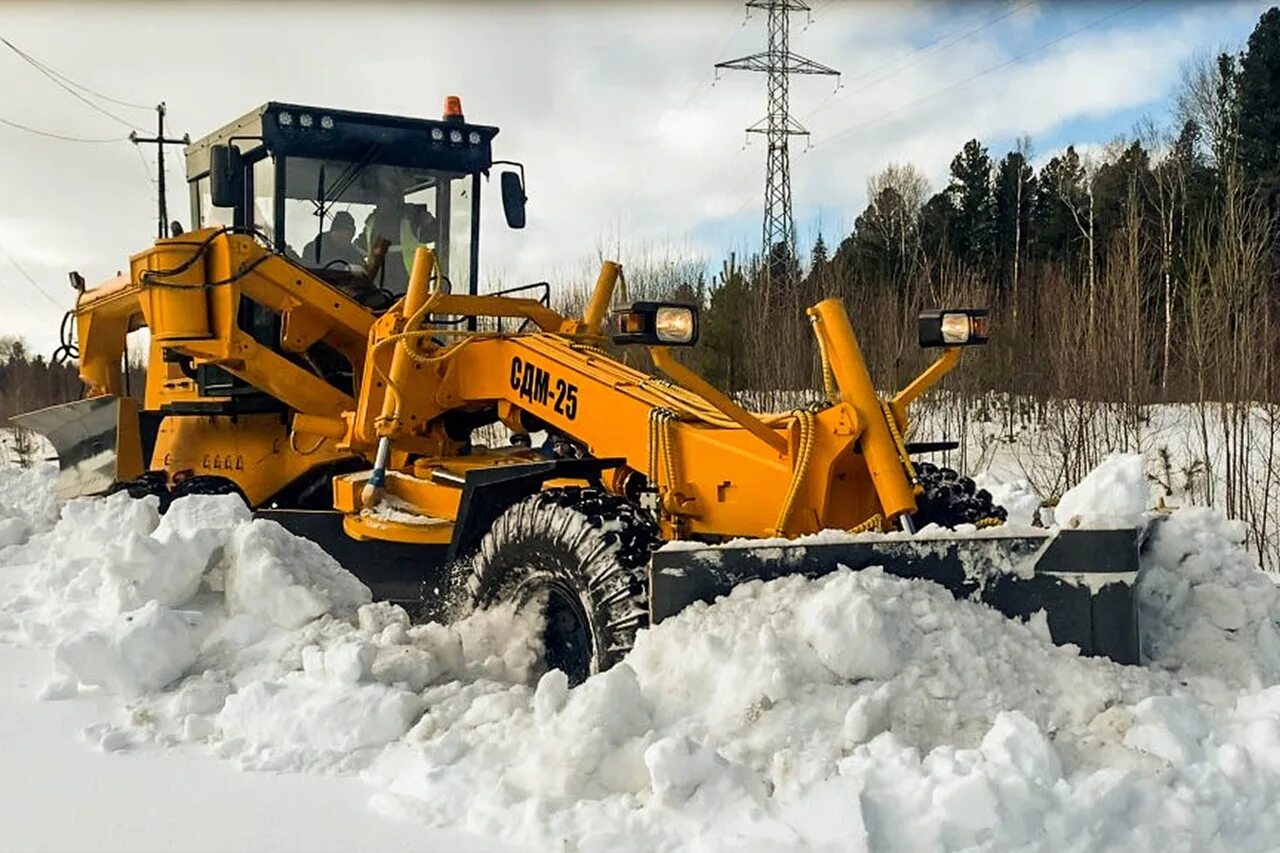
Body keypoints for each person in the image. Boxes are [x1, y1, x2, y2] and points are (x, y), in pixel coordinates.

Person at [301, 210, 366, 269]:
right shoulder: (314, 249)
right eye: (342, 236)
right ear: (333, 232)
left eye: (349, 237)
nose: (346, 240)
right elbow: (307, 267)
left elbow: (363, 270)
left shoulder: (355, 255)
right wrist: (333, 268)